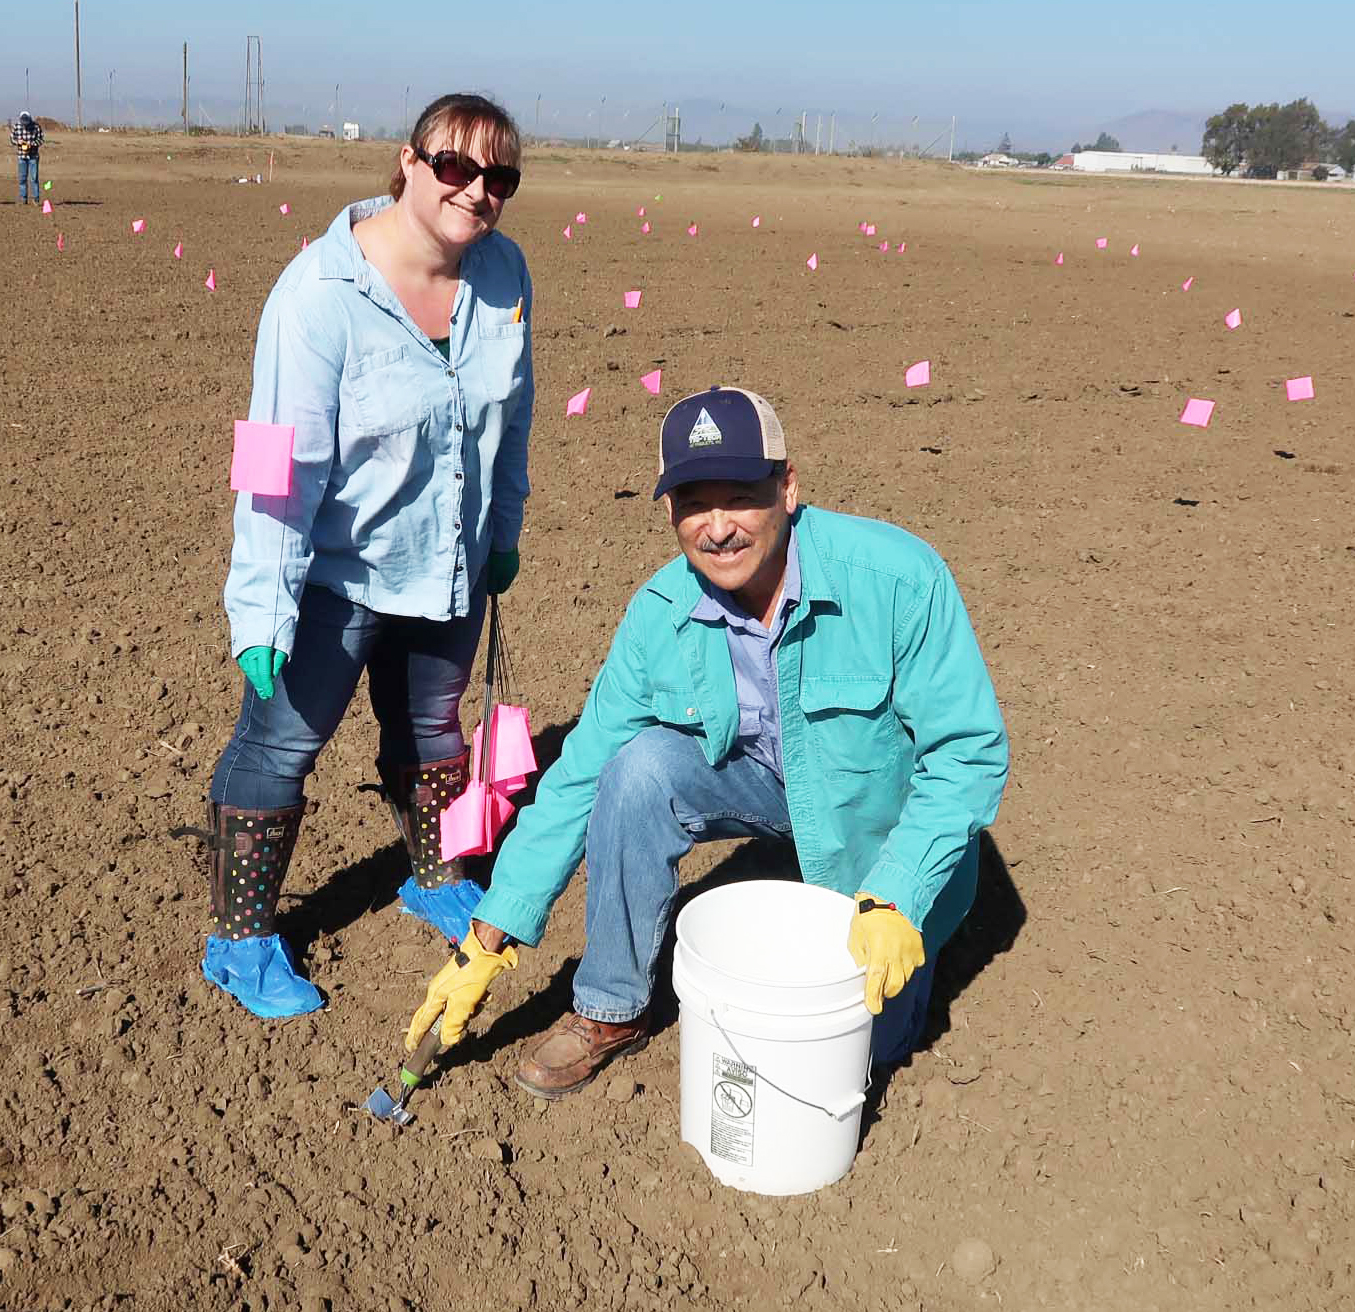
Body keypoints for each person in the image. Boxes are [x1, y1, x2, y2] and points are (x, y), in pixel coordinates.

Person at [406, 387, 1009, 1098]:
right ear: (669, 512)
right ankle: (610, 1006)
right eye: (695, 503)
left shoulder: (897, 579)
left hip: (877, 820)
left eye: (741, 497)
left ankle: (887, 924)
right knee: (637, 771)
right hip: (766, 781)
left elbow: (966, 754)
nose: (718, 528)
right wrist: (488, 937)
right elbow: (581, 773)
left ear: (787, 489)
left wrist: (896, 898)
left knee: (856, 1052)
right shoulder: (661, 612)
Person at [186, 93, 533, 1019]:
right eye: (456, 167)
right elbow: (273, 460)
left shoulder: (504, 275)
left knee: (432, 732)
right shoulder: (318, 294)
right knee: (283, 742)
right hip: (338, 577)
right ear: (409, 164)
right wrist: (261, 604)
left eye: (498, 176)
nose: (477, 191)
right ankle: (242, 937)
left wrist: (504, 529)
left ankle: (432, 873)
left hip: (450, 562)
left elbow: (515, 413)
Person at [11, 111, 44, 203]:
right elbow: (12, 139)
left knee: (34, 178)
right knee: (22, 178)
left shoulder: (36, 127)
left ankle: (36, 199)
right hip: (21, 156)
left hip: (33, 156)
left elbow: (41, 140)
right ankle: (23, 198)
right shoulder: (16, 126)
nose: (24, 125)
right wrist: (18, 142)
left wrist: (32, 144)